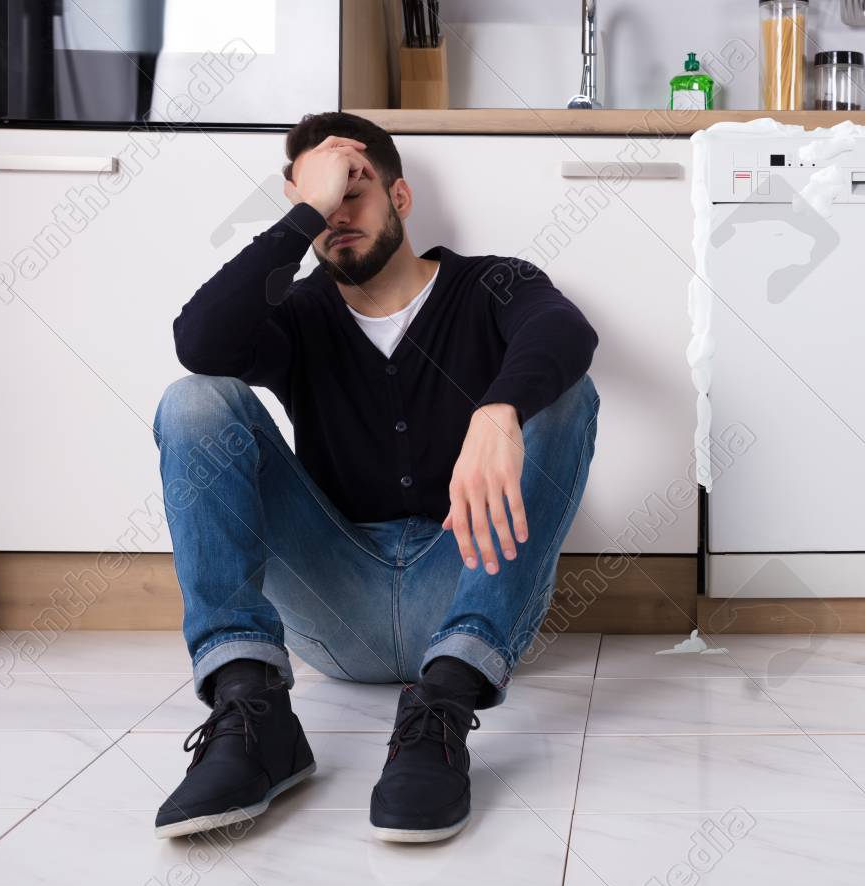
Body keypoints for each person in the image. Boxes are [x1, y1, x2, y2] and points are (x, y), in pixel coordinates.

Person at [151, 111, 600, 843]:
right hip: (336, 599)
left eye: (352, 192)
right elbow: (200, 341)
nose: (336, 217)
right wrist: (303, 212)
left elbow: (568, 333)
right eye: (320, 202)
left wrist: (498, 410)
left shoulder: (492, 283)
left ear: (401, 198)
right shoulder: (297, 317)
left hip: (465, 583)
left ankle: (444, 708)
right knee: (194, 399)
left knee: (565, 394)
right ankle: (253, 712)